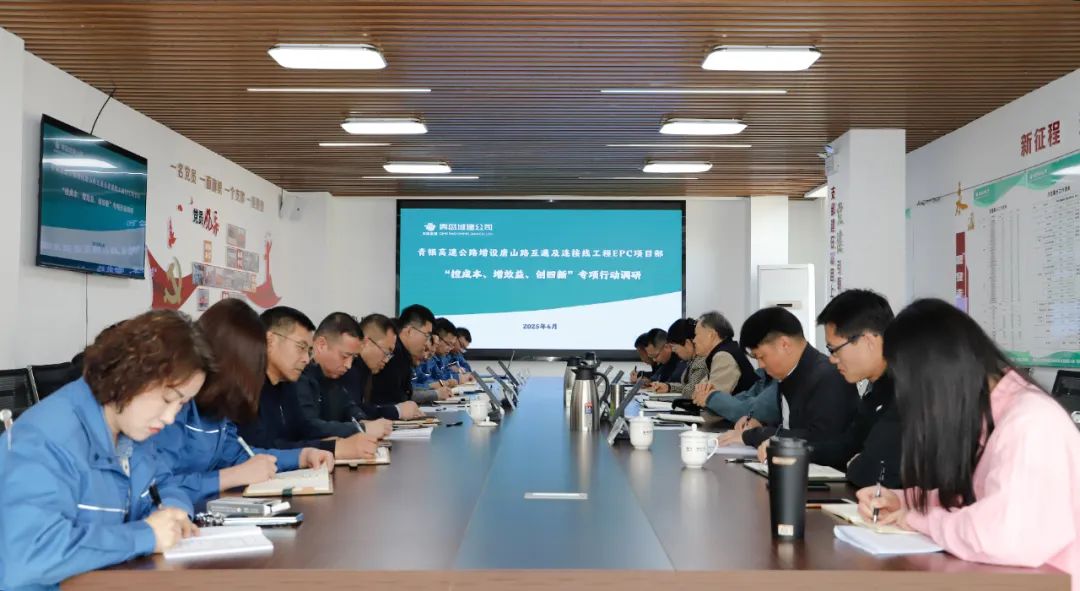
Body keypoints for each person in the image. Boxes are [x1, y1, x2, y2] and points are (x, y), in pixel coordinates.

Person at [857, 299, 1080, 583]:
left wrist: (918, 519)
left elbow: (1003, 536)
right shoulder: (993, 415)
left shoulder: (1030, 423)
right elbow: (974, 502)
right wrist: (905, 502)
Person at [0, 311, 208, 588]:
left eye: (181, 405)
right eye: (168, 399)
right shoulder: (45, 439)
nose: (171, 418)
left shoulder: (132, 428)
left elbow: (162, 483)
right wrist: (145, 536)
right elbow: (31, 553)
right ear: (131, 375)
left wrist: (173, 512)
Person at [155, 300, 335, 505]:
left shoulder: (220, 407)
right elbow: (157, 489)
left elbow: (239, 455)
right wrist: (231, 477)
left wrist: (302, 456)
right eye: (255, 364)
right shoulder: (175, 406)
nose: (257, 375)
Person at [237, 306, 377, 460]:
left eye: (308, 351)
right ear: (270, 341)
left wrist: (336, 442)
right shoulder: (243, 387)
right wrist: (333, 448)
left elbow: (304, 430)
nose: (305, 359)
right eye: (301, 347)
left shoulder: (287, 383)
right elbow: (262, 449)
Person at [718, 307, 858, 453]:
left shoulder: (829, 376)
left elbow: (822, 439)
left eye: (761, 357)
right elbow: (790, 425)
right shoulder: (789, 374)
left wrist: (755, 435)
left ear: (784, 345)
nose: (761, 365)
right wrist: (759, 425)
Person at [812, 289, 901, 487]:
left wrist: (858, 463)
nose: (832, 359)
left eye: (834, 349)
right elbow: (848, 446)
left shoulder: (906, 390)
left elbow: (869, 471)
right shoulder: (876, 389)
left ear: (868, 341)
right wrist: (797, 451)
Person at [292, 312, 414, 440]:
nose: (349, 365)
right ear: (322, 345)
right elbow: (310, 427)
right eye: (345, 356)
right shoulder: (299, 375)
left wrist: (362, 420)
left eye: (353, 357)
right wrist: (361, 428)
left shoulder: (331, 375)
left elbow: (348, 407)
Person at [340, 313, 425, 420]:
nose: (387, 360)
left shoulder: (365, 369)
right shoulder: (349, 368)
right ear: (367, 343)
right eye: (386, 352)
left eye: (390, 354)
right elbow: (353, 413)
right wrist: (397, 411)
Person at [371, 304, 450, 405]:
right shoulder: (394, 354)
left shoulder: (404, 356)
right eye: (426, 336)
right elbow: (395, 400)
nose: (427, 343)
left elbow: (406, 393)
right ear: (409, 331)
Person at [688, 311, 758, 408]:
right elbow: (695, 393)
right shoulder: (726, 350)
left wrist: (702, 395)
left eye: (696, 334)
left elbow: (708, 400)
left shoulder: (723, 356)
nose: (694, 340)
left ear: (711, 335)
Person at [649, 319, 707, 397]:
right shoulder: (692, 361)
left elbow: (691, 390)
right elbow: (687, 386)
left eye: (674, 347)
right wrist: (668, 387)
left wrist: (669, 387)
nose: (674, 351)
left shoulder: (701, 361)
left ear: (687, 343)